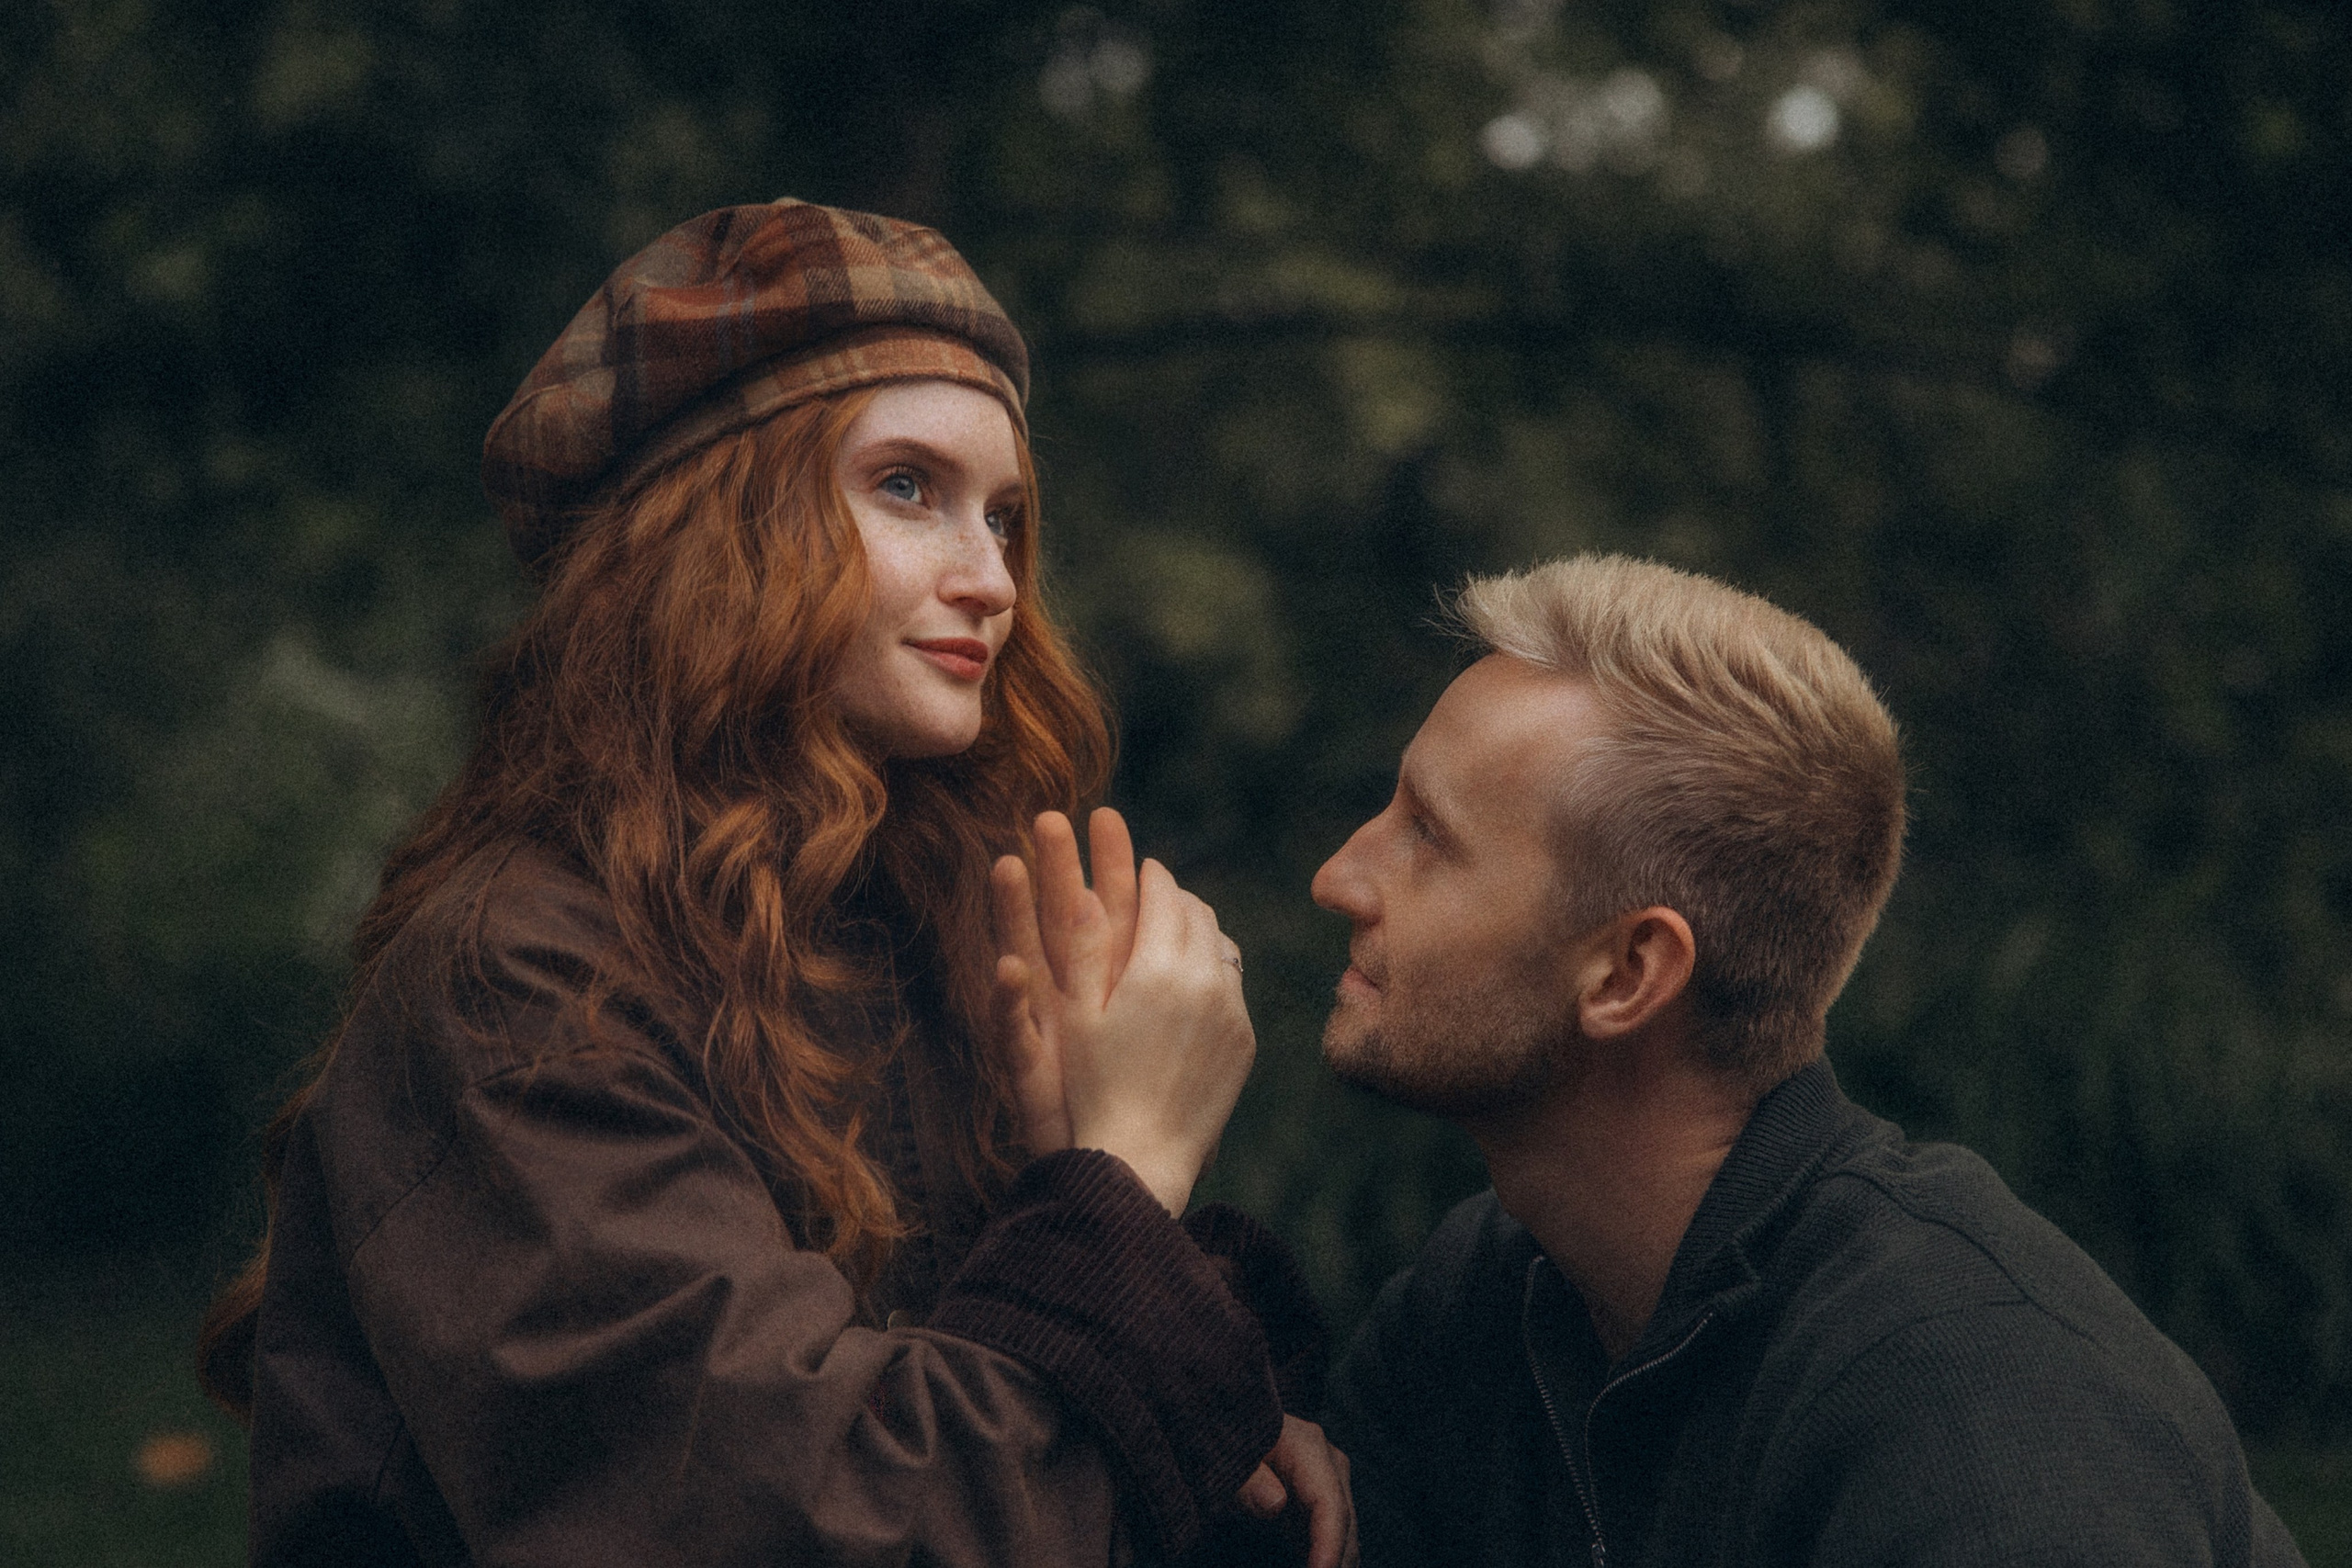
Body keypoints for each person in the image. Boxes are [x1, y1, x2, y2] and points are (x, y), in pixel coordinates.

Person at [198, 198, 1352, 1567]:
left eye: (1007, 514)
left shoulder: (904, 921)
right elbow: (822, 1527)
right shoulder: (523, 977)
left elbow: (1014, 1392)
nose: (990, 576)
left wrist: (1216, 1400)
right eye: (908, 486)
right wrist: (1127, 1171)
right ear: (713, 539)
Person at [1316, 555, 2305, 1567]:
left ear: (1627, 974)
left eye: (1428, 836)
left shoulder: (1968, 1400)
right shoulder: (1494, 1303)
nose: (1338, 877)